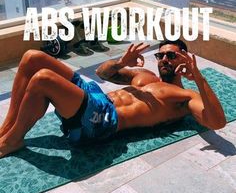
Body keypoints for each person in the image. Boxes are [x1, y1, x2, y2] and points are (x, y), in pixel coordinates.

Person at [0, 40, 226, 158]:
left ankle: (13, 140)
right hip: (93, 96)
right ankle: (7, 128)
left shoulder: (185, 99)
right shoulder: (145, 76)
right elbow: (102, 73)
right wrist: (121, 62)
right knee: (33, 57)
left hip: (103, 120)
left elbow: (217, 122)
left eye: (172, 55)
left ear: (185, 59)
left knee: (43, 79)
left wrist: (199, 78)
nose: (164, 59)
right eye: (160, 55)